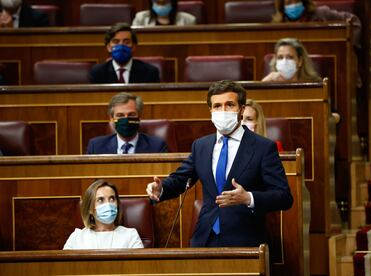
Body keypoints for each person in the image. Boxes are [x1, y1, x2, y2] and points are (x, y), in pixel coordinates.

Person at [146, 80, 293, 247]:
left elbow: (283, 197)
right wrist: (161, 188)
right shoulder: (201, 145)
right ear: (210, 110)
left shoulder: (263, 147)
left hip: (245, 240)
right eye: (217, 106)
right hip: (205, 238)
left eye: (229, 105)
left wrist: (248, 198)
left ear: (241, 109)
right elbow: (181, 179)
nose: (223, 111)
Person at [64, 179, 144, 249]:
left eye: (112, 199)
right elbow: (64, 265)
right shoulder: (78, 237)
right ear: (89, 209)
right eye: (100, 200)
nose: (108, 204)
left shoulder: (130, 235)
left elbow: (139, 265)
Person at [86, 92, 168, 154]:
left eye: (131, 115)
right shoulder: (96, 146)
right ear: (111, 119)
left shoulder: (157, 146)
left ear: (139, 117)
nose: (126, 120)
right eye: (120, 115)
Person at [89, 23, 160, 84]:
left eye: (126, 42)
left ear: (134, 46)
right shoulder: (97, 72)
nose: (121, 46)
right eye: (116, 42)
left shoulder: (149, 72)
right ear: (108, 47)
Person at [272, 0, 361, 46]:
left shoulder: (322, 13)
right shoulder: (278, 26)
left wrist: (346, 46)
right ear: (282, 6)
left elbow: (354, 22)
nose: (294, 5)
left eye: (297, 1)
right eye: (289, 2)